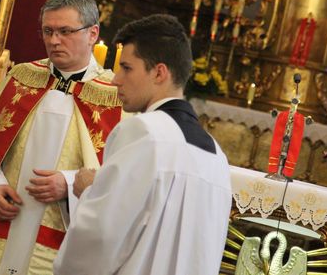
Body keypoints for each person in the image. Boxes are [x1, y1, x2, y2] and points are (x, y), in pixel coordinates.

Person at [54, 14, 232, 275]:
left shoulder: (143, 132)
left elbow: (102, 235)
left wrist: (90, 190)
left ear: (159, 72)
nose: (116, 79)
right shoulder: (217, 156)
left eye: (126, 68)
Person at [0, 0, 124, 275]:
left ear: (92, 34)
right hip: (2, 222)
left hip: (59, 235)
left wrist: (69, 185)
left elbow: (121, 176)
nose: (54, 41)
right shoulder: (22, 77)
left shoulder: (114, 97)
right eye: (48, 31)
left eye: (65, 31)